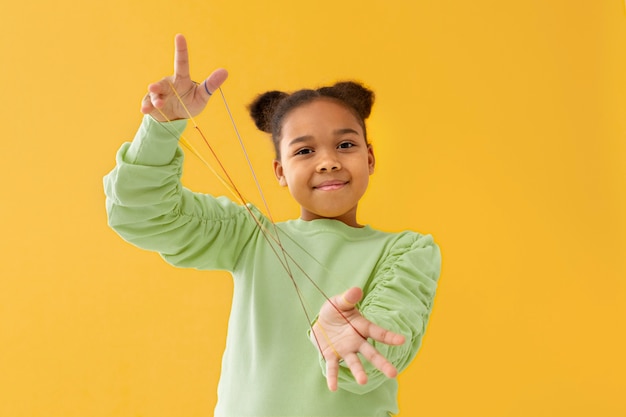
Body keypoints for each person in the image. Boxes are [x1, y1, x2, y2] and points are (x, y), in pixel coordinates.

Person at [104, 34, 441, 417]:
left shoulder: (408, 251)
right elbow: (141, 212)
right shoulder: (249, 235)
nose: (328, 161)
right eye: (304, 151)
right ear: (280, 172)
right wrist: (162, 128)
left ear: (370, 158)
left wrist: (354, 336)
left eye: (345, 145)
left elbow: (392, 333)